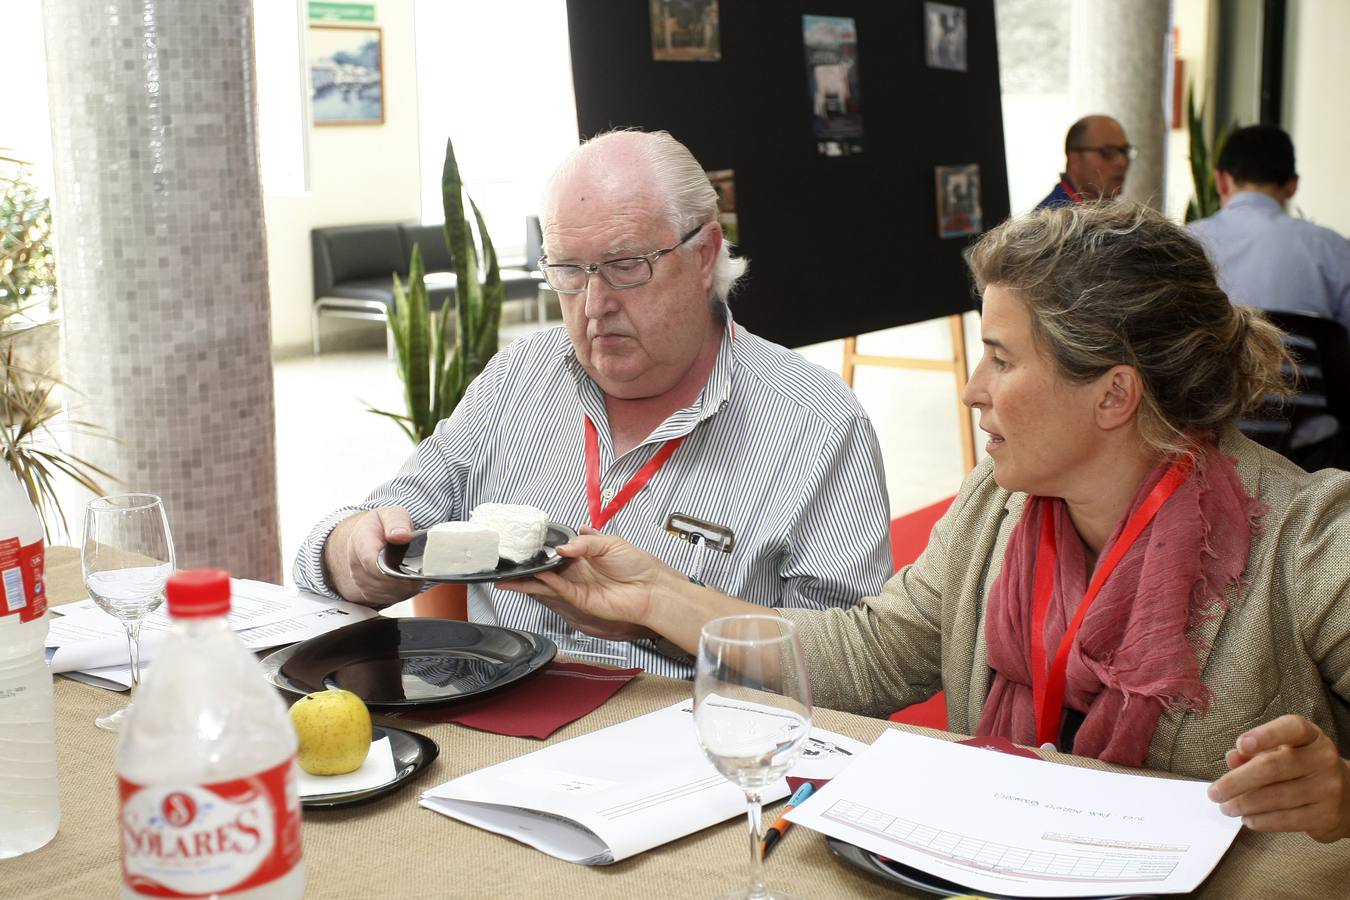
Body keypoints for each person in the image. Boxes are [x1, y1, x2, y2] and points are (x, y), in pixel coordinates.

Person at [503, 202, 1350, 844]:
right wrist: (654, 594)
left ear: (1114, 395)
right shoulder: (996, 507)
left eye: (1004, 359)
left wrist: (1343, 793)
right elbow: (869, 654)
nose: (975, 388)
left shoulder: (1307, 541)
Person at [292, 129, 893, 677]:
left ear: (705, 252)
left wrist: (657, 621)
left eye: (626, 266)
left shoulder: (817, 424)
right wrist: (353, 553)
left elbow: (850, 674)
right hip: (497, 740)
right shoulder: (516, 381)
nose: (594, 304)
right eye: (569, 273)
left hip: (691, 752)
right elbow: (381, 524)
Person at [1189, 124, 1350, 335]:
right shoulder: (1334, 249)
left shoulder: (1184, 242)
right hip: (1300, 368)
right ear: (1292, 186)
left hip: (1212, 368)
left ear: (1221, 181)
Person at [1036, 115, 1135, 209]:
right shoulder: (1052, 221)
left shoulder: (1115, 213)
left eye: (1125, 151)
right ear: (1075, 160)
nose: (1122, 162)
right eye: (1108, 152)